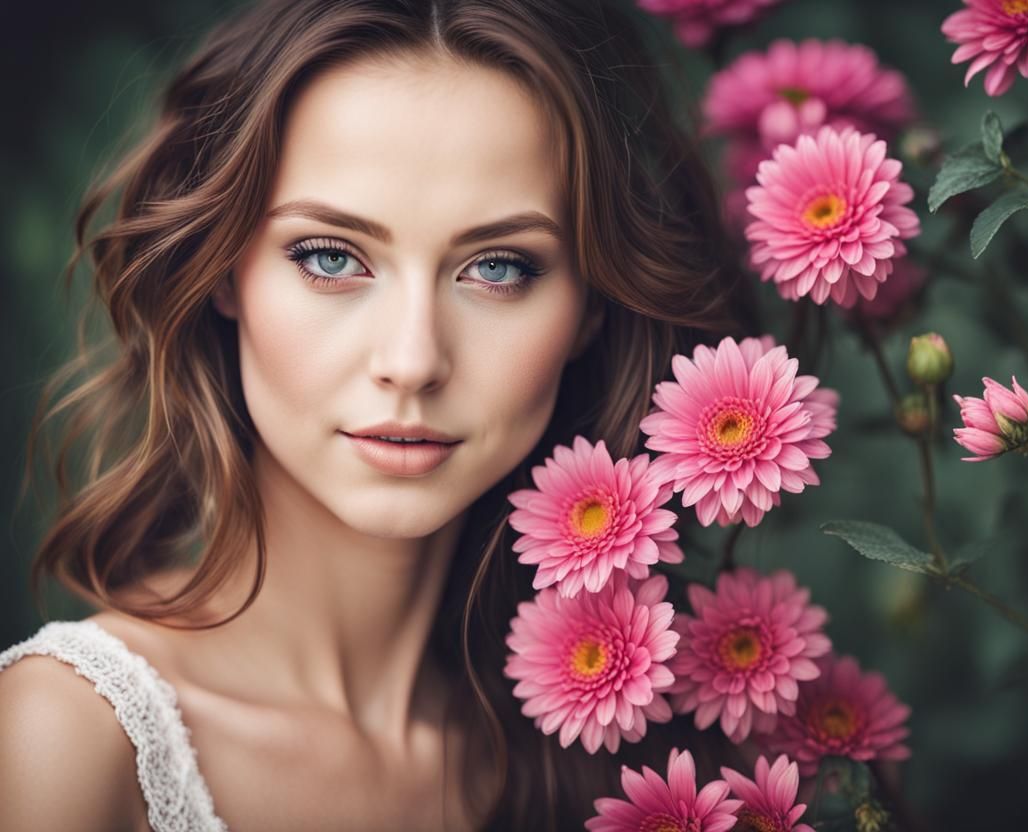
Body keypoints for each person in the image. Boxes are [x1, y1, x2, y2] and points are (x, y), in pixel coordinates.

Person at [0, 0, 760, 829]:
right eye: (331, 257)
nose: (412, 360)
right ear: (223, 270)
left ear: (591, 311)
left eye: (498, 268)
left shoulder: (629, 754)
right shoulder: (68, 737)